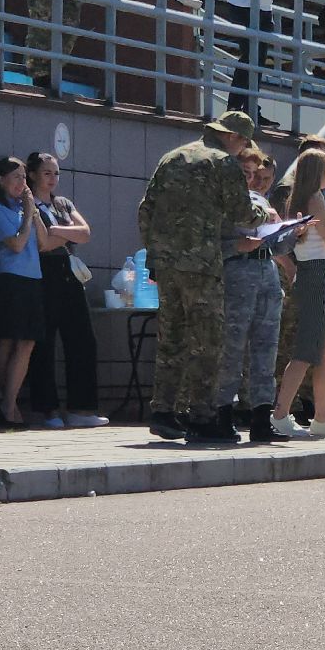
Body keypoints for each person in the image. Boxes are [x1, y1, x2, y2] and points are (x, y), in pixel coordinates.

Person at [135, 110, 259, 443]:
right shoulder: (223, 163)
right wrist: (264, 212)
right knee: (207, 342)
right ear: (233, 137)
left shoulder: (172, 158)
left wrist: (155, 256)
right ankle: (201, 417)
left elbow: (145, 209)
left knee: (172, 338)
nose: (243, 148)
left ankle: (163, 411)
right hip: (202, 265)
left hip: (167, 264)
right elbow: (242, 213)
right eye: (244, 141)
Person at [269, 148, 325, 440]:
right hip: (316, 275)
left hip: (314, 272)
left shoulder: (300, 198)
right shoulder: (315, 198)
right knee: (307, 350)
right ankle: (280, 414)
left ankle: (321, 416)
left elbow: (322, 239)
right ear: (316, 172)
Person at [25, 150, 107, 429]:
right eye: (46, 173)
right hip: (43, 272)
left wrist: (57, 231)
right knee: (45, 342)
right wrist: (64, 232)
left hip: (70, 272)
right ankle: (47, 410)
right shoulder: (29, 203)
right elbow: (43, 243)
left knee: (83, 339)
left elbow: (84, 233)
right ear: (33, 174)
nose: (52, 179)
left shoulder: (62, 203)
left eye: (56, 173)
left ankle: (82, 409)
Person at [214, 145, 289, 443]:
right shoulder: (222, 203)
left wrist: (289, 232)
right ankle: (222, 414)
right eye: (245, 173)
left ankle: (261, 417)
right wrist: (236, 247)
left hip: (267, 275)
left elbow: (279, 248)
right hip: (237, 274)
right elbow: (207, 246)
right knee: (231, 348)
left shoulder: (260, 201)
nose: (250, 180)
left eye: (254, 174)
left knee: (266, 348)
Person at [0, 157, 48, 430]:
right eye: (16, 177)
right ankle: (8, 404)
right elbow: (17, 244)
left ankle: (9, 404)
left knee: (28, 342)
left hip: (33, 279)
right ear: (1, 180)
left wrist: (33, 212)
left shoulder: (26, 210)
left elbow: (43, 242)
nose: (22, 183)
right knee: (8, 340)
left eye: (24, 178)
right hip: (10, 279)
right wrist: (28, 214)